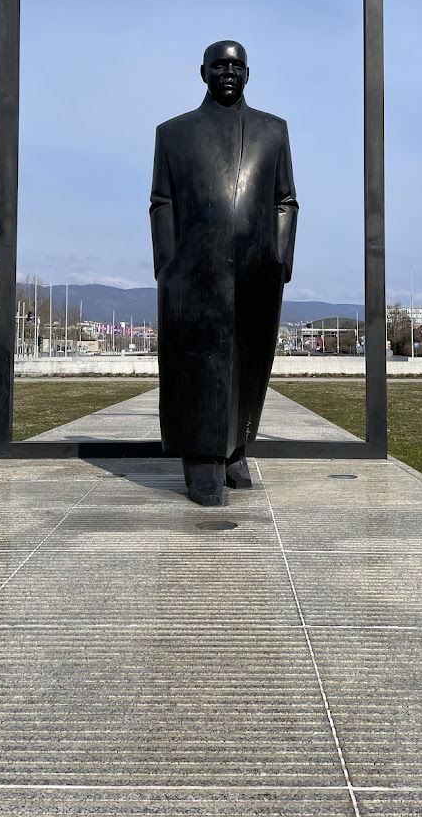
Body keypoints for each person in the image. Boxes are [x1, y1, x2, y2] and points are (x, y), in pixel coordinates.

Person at [150, 40, 298, 505]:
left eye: (237, 66)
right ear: (203, 72)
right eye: (220, 65)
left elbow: (285, 200)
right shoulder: (173, 133)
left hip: (257, 267)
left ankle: (236, 448)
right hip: (192, 270)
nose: (228, 72)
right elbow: (162, 201)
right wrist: (167, 262)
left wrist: (280, 258)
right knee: (197, 363)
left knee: (248, 360)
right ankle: (202, 459)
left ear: (248, 75)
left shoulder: (273, 131)